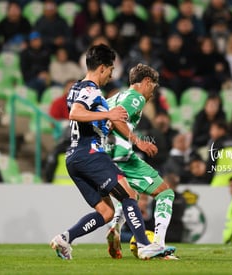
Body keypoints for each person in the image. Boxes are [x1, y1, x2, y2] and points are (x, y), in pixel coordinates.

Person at [49, 45, 172, 261]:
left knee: (106, 212)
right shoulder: (91, 89)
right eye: (111, 70)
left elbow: (95, 115)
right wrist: (109, 114)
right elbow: (76, 113)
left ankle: (65, 238)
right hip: (90, 153)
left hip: (74, 158)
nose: (112, 75)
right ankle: (144, 245)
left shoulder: (76, 88)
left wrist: (133, 139)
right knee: (128, 195)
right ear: (103, 68)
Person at [105, 63, 177, 259]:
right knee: (166, 193)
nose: (152, 93)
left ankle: (116, 227)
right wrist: (140, 142)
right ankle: (157, 244)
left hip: (105, 155)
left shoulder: (114, 97)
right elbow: (117, 120)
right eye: (153, 86)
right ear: (146, 82)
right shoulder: (136, 97)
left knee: (131, 195)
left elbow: (106, 119)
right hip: (123, 156)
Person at [207, 120, 232, 186]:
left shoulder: (217, 144)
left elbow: (211, 165)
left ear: (221, 130)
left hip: (220, 183)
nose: (210, 132)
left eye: (213, 129)